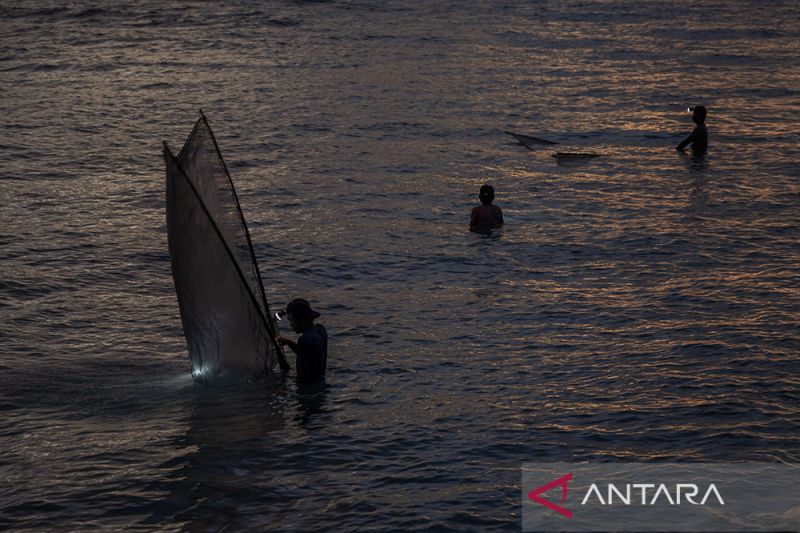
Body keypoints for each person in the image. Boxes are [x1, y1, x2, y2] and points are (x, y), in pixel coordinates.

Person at [277, 298, 328, 384]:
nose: (290, 325)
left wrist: (288, 342)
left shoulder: (305, 339)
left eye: (292, 320)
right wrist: (288, 342)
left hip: (307, 385)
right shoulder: (320, 329)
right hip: (320, 380)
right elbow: (306, 353)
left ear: (303, 320)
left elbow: (302, 353)